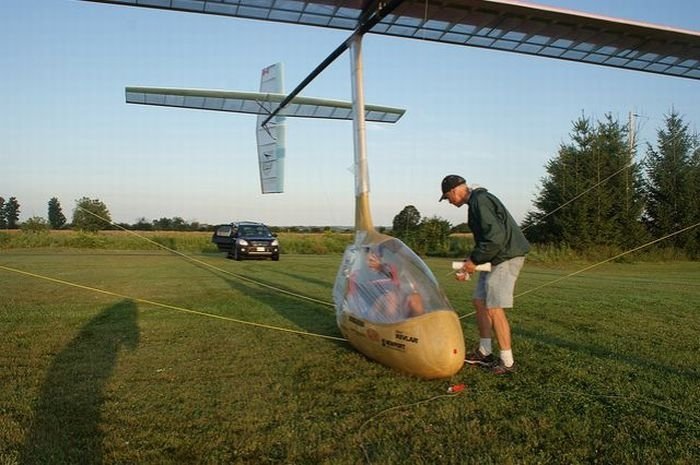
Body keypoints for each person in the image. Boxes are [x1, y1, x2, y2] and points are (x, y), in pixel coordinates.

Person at [439, 174, 529, 374]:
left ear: (455, 190)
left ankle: (507, 362)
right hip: (494, 258)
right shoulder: (476, 203)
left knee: (494, 307)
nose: (449, 202)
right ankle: (484, 352)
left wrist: (474, 261)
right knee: (480, 301)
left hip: (506, 257)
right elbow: (485, 241)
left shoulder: (480, 201)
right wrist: (469, 263)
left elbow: (495, 238)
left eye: (447, 197)